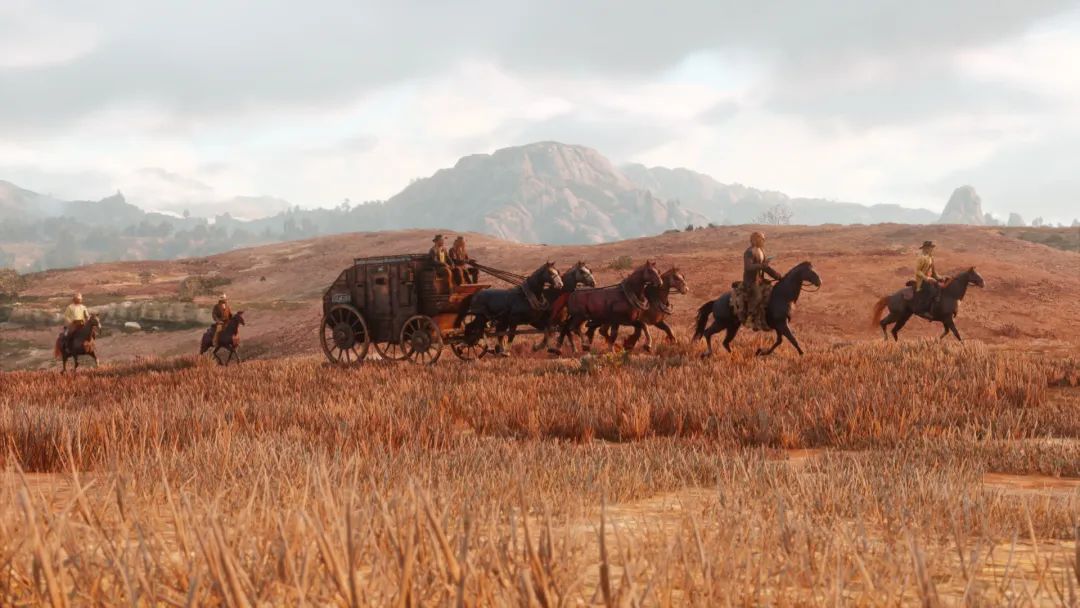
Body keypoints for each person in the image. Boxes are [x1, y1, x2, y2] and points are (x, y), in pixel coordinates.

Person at [741, 231, 781, 328]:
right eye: (761, 239)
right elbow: (748, 267)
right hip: (751, 281)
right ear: (755, 240)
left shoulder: (761, 251)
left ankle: (765, 319)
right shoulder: (749, 252)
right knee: (758, 296)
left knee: (772, 293)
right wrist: (762, 265)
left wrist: (777, 276)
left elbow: (765, 268)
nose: (764, 240)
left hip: (760, 280)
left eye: (763, 239)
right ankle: (749, 318)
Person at [912, 240, 941, 317]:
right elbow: (917, 271)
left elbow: (933, 271)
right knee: (931, 291)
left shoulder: (930, 257)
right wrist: (927, 278)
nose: (932, 249)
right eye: (930, 248)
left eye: (932, 248)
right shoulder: (921, 258)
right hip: (923, 281)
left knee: (940, 287)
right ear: (925, 248)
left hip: (930, 278)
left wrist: (940, 278)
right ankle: (922, 310)